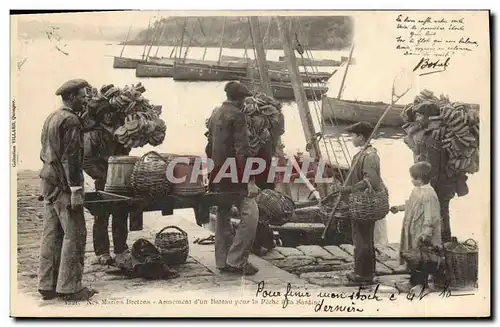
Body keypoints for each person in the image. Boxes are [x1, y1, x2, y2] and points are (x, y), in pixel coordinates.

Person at [38, 78, 97, 301]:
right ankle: (71, 288)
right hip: (64, 186)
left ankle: (47, 286)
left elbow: (44, 152)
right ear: (71, 97)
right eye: (82, 96)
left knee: (51, 236)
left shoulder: (51, 117)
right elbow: (72, 159)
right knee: (75, 235)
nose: (85, 100)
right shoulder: (71, 121)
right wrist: (75, 190)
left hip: (49, 182)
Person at [206, 81, 260, 275]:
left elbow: (209, 147)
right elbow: (242, 152)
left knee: (223, 214)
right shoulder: (238, 116)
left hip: (217, 175)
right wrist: (250, 181)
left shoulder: (215, 114)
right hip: (234, 177)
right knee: (251, 214)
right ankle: (237, 260)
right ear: (241, 100)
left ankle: (222, 261)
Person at [335, 121, 386, 285]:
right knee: (364, 237)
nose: (351, 139)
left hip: (364, 202)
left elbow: (371, 180)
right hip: (360, 201)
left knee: (361, 238)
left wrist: (350, 189)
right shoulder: (364, 153)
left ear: (361, 137)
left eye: (353, 136)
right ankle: (366, 270)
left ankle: (363, 274)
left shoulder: (369, 156)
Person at [83, 110, 130, 266]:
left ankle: (120, 250)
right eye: (105, 112)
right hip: (103, 180)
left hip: (121, 179)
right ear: (99, 114)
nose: (109, 115)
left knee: (121, 214)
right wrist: (100, 176)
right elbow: (87, 160)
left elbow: (126, 153)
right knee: (101, 216)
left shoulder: (121, 130)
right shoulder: (94, 134)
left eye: (110, 112)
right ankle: (102, 252)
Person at [411, 102, 459, 243]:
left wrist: (427, 187)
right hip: (445, 183)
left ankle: (441, 244)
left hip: (439, 184)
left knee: (438, 214)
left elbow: (433, 166)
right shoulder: (432, 134)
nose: (418, 118)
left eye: (420, 115)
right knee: (442, 213)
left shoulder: (433, 137)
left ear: (430, 117)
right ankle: (444, 243)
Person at [390, 161, 442, 292]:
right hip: (413, 229)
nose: (411, 180)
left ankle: (420, 284)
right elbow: (411, 205)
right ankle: (413, 282)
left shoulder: (429, 194)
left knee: (422, 258)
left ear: (419, 179)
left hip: (422, 232)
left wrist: (426, 233)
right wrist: (400, 208)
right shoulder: (416, 190)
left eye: (413, 178)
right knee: (414, 257)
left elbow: (431, 215)